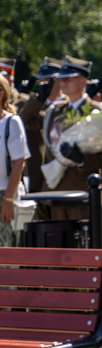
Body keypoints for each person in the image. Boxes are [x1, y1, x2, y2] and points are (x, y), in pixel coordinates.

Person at [41, 56, 102, 220]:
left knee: (84, 236)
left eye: (69, 79)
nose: (63, 83)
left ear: (82, 82)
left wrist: (81, 159)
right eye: (62, 78)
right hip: (57, 189)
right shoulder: (55, 111)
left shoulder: (97, 112)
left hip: (83, 190)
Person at [18, 57, 64, 219]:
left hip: (62, 179)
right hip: (38, 179)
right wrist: (39, 99)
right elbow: (21, 122)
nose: (43, 83)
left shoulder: (66, 105)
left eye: (48, 80)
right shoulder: (34, 104)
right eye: (41, 80)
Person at [0, 74, 30, 247]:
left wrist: (8, 200)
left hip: (5, 193)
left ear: (1, 93)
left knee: (6, 250)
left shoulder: (11, 122)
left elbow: (19, 163)